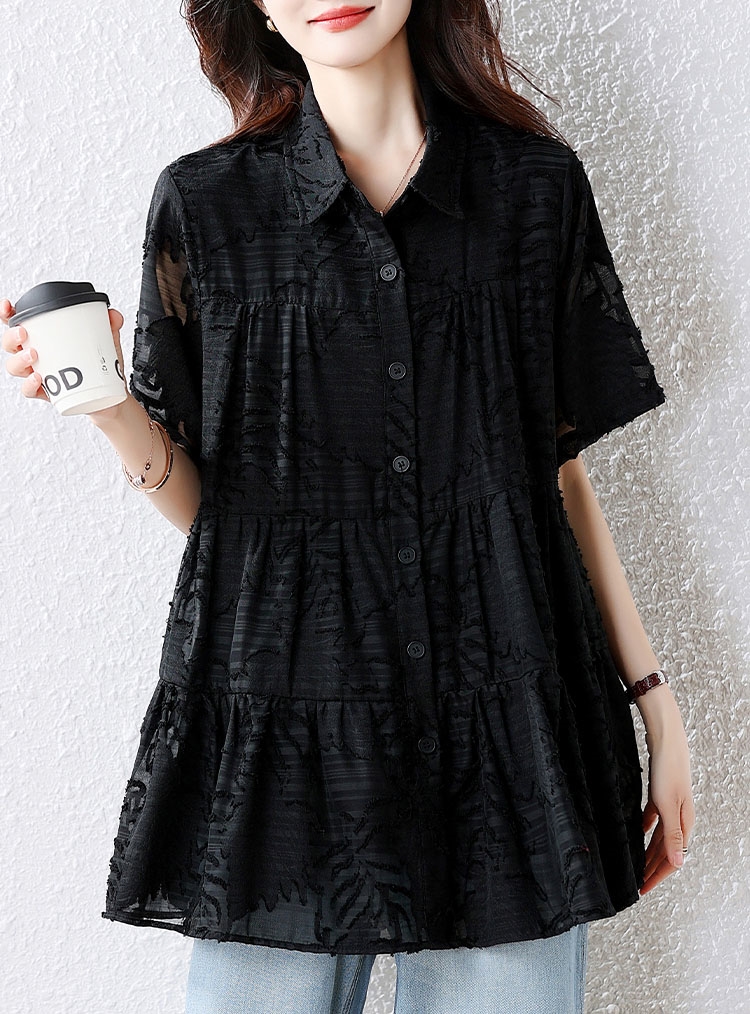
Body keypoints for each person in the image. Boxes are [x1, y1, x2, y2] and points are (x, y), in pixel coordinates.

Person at [1, 1, 695, 1011]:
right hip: (284, 737)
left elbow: (554, 475)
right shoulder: (207, 207)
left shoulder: (535, 190)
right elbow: (225, 520)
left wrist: (656, 703)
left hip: (507, 738)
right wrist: (111, 410)